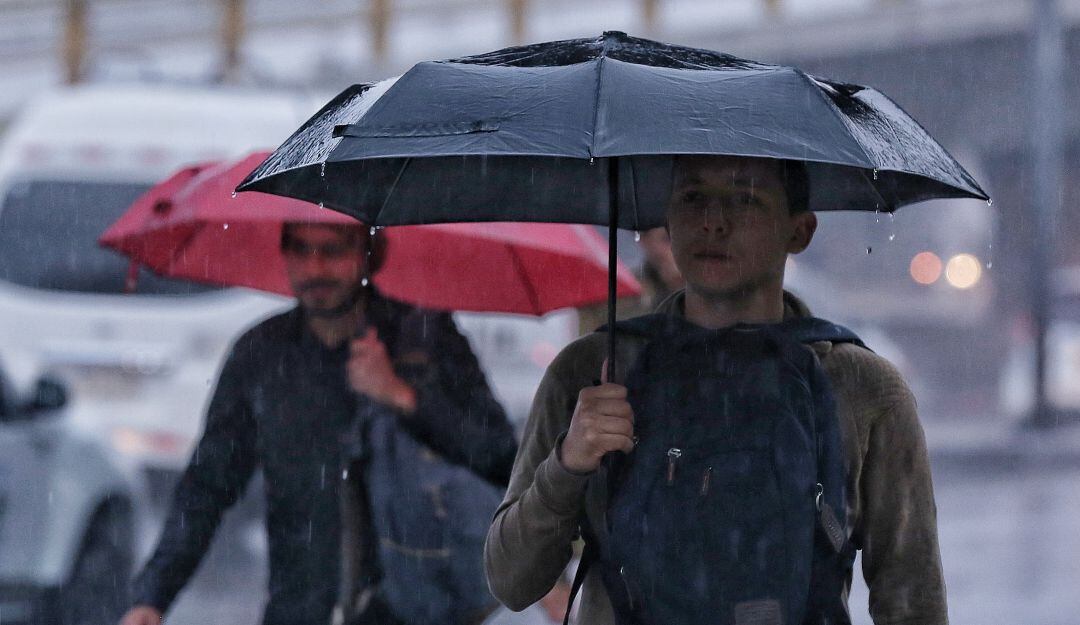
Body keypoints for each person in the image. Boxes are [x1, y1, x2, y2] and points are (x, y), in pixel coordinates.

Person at [484, 156, 947, 624]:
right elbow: (512, 581)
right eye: (692, 197)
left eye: (745, 199)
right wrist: (569, 463)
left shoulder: (864, 389)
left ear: (799, 230)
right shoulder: (592, 372)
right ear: (667, 218)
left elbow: (913, 601)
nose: (712, 222)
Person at [121, 222, 517, 625]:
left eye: (334, 251)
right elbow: (207, 485)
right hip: (300, 602)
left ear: (369, 253)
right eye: (300, 250)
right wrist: (153, 597)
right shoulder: (263, 353)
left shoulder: (423, 339)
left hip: (414, 602)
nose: (315, 269)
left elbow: (500, 455)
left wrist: (402, 396)